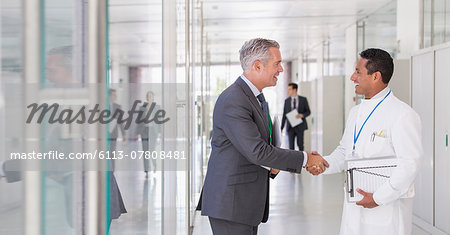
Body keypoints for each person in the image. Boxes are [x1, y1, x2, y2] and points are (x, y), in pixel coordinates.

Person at [198, 38, 329, 235]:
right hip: (230, 204)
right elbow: (257, 151)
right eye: (277, 63)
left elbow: (250, 147)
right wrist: (306, 158)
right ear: (258, 66)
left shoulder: (254, 97)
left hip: (243, 203)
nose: (281, 69)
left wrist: (272, 165)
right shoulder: (234, 99)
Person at [313, 48, 423, 235]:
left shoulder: (402, 114)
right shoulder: (355, 112)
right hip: (355, 206)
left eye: (358, 72)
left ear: (376, 76)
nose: (352, 77)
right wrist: (323, 164)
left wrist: (379, 198)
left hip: (386, 210)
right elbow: (345, 151)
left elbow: (410, 164)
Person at [134, 91, 161, 178]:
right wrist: (137, 133)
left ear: (153, 97)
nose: (149, 98)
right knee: (145, 151)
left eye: (150, 96)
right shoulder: (142, 108)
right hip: (144, 130)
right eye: (147, 96)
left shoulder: (157, 107)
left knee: (152, 149)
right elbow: (139, 121)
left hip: (153, 131)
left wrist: (160, 132)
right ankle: (146, 171)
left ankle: (154, 164)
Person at [281, 83, 310, 151]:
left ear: (295, 90)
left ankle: (302, 159)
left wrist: (302, 115)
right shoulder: (287, 101)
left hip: (300, 126)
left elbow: (308, 111)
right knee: (291, 146)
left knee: (300, 145)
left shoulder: (303, 99)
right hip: (290, 127)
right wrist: (281, 127)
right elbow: (284, 115)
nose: (288, 91)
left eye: (289, 89)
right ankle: (293, 161)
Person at [108, 88, 126, 170]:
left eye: (116, 95)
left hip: (113, 134)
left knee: (112, 152)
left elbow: (120, 121)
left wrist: (123, 134)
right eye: (114, 95)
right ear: (109, 95)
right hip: (105, 134)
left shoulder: (118, 107)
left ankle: (112, 171)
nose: (115, 96)